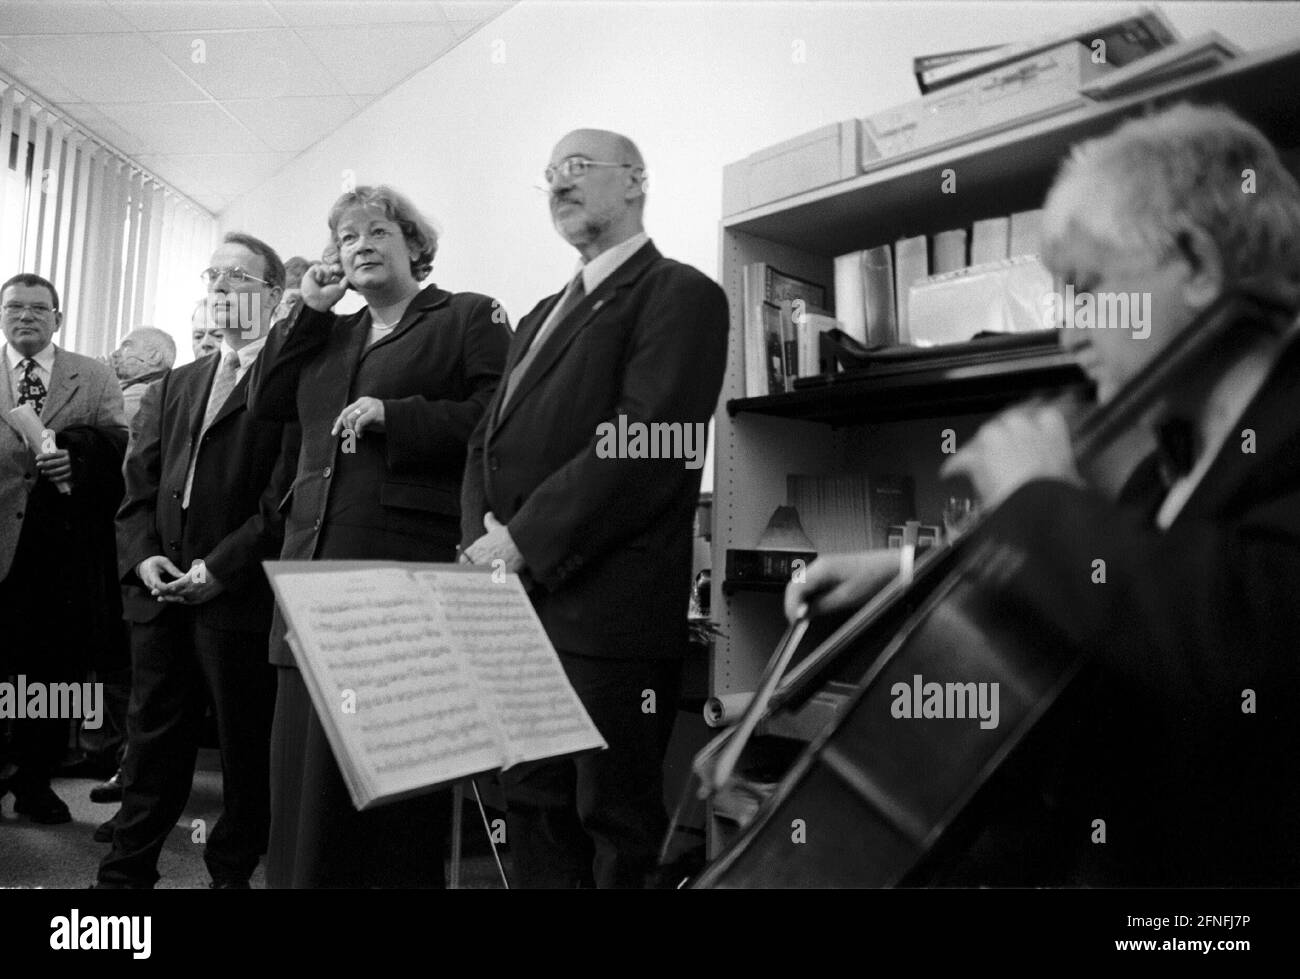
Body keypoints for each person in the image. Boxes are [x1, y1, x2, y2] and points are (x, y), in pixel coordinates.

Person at [783, 103, 1300, 887]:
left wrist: (1039, 501)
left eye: (1085, 289)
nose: (1070, 333)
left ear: (1196, 263)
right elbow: (1120, 612)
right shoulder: (1167, 463)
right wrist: (906, 575)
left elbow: (1246, 640)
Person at [460, 129, 729, 888]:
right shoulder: (544, 309)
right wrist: (480, 543)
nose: (558, 185)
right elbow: (488, 436)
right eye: (549, 174)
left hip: (606, 614)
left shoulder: (681, 294)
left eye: (578, 169)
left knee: (608, 819)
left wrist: (520, 540)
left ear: (636, 181)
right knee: (533, 803)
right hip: (516, 602)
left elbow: (645, 440)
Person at [247, 185, 511, 888]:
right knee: (304, 785)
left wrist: (400, 414)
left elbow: (498, 421)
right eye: (346, 237)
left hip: (402, 579)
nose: (360, 244)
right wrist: (306, 306)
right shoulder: (329, 334)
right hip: (311, 578)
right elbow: (263, 403)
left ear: (413, 244)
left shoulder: (464, 316)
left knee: (388, 793)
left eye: (376, 231)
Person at [96, 233, 299, 888]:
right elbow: (139, 492)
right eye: (211, 273)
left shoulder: (292, 382)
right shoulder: (176, 383)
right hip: (161, 599)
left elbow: (283, 502)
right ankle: (122, 881)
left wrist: (218, 568)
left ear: (272, 295)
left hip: (237, 601)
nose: (217, 285)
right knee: (152, 749)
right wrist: (146, 558)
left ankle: (229, 877)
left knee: (245, 761)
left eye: (234, 276)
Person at [0, 273, 127, 825]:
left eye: (37, 308)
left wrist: (80, 459)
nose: (25, 316)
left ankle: (35, 782)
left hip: (60, 551)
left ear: (58, 317)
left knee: (53, 676)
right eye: (13, 308)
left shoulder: (94, 376)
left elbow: (122, 451)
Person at [110, 327, 176, 425]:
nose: (114, 354)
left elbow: (102, 425)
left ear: (154, 357)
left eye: (127, 347)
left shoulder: (143, 391)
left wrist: (98, 379)